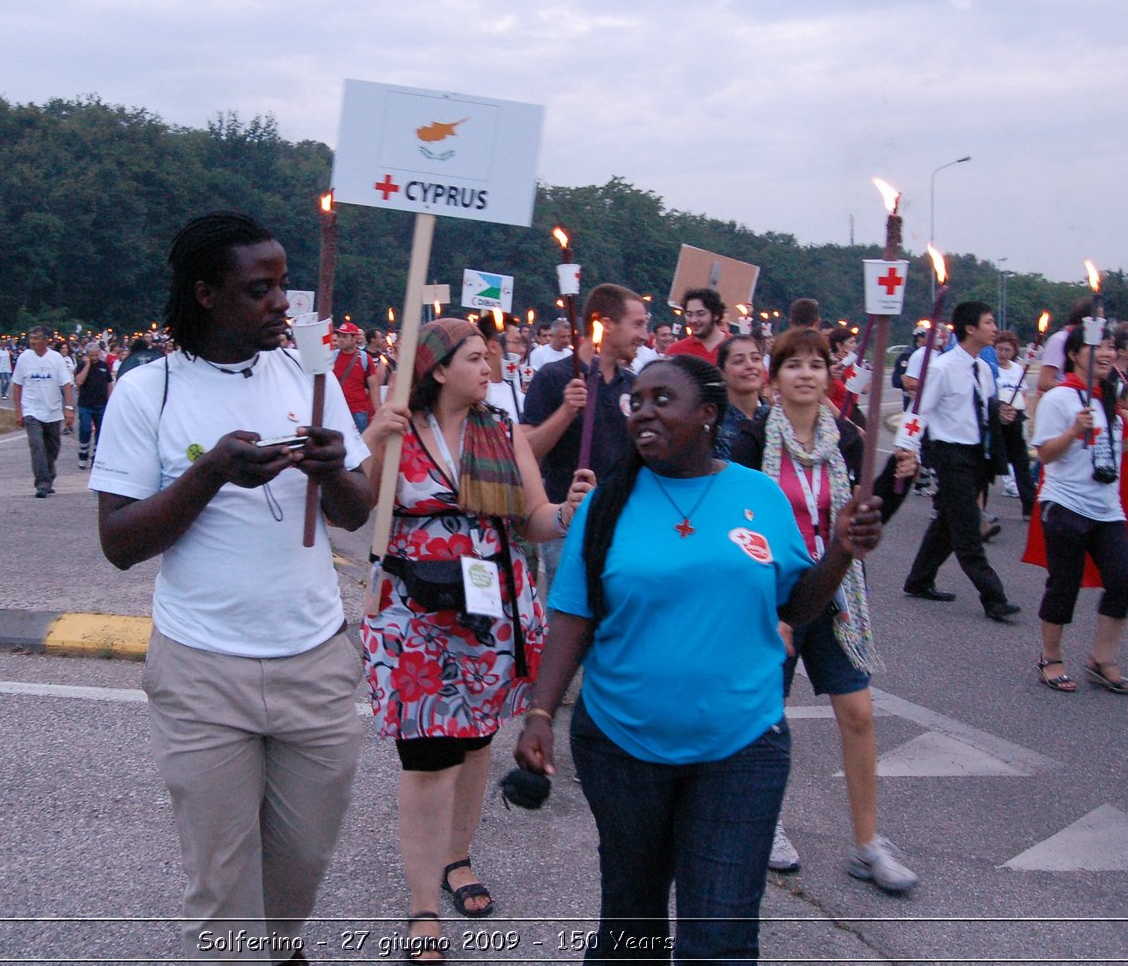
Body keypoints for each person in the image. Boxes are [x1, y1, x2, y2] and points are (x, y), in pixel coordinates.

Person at [513, 355, 885, 962]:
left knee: (719, 939)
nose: (644, 413)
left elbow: (797, 603)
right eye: (637, 402)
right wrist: (539, 712)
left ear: (708, 414)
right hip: (620, 743)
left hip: (740, 747)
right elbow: (574, 614)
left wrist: (840, 552)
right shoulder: (609, 501)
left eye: (663, 400)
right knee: (632, 929)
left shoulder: (758, 495)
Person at [89, 211, 373, 962]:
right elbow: (119, 543)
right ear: (207, 294)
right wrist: (210, 473)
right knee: (221, 882)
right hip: (203, 669)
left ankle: (279, 952)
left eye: (284, 284)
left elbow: (355, 511)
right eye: (261, 289)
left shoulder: (310, 379)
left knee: (301, 861)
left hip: (314, 659)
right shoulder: (147, 392)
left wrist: (334, 467)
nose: (283, 302)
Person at [360, 318, 592, 961]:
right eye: (474, 358)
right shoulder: (399, 425)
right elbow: (353, 510)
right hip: (414, 613)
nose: (489, 367)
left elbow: (535, 521)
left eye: (490, 357)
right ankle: (423, 908)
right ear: (437, 370)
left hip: (492, 611)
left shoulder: (504, 432)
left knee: (475, 742)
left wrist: (570, 510)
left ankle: (458, 858)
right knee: (427, 754)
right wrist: (374, 443)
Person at [731, 328, 918, 891]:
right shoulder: (751, 439)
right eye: (793, 366)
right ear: (775, 377)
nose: (806, 374)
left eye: (816, 364)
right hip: (776, 599)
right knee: (766, 719)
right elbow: (739, 521)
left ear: (828, 376)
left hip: (837, 596)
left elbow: (865, 518)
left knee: (858, 714)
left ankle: (867, 844)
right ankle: (768, 824)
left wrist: (896, 481)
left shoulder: (850, 442)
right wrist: (769, 606)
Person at [1026, 329, 1128, 694]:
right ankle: (1051, 657)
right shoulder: (1061, 398)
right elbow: (1046, 454)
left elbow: (1099, 450)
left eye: (1111, 347)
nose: (1109, 354)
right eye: (1100, 347)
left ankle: (1102, 657)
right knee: (1064, 582)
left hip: (1106, 508)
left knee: (1122, 578)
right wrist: (1072, 431)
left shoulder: (1107, 399)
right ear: (1077, 354)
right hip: (1065, 503)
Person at [520, 284, 648, 593]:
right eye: (638, 324)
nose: (645, 335)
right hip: (569, 525)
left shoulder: (634, 386)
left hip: (625, 524)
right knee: (570, 622)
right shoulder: (553, 377)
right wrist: (566, 411)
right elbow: (525, 452)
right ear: (606, 325)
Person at [902, 301, 1022, 621]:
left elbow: (981, 410)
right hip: (950, 453)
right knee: (968, 528)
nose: (994, 328)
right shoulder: (942, 368)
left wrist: (1000, 413)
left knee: (946, 521)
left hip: (977, 455)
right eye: (988, 322)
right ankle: (993, 596)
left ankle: (919, 579)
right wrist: (907, 449)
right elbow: (919, 411)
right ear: (970, 328)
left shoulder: (983, 368)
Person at [10, 327, 75, 498]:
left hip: (52, 410)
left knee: (52, 448)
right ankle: (42, 483)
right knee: (37, 445)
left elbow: (66, 384)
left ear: (46, 340)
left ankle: (48, 475)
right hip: (32, 409)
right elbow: (17, 385)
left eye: (37, 338)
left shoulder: (56, 358)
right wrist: (19, 411)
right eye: (31, 338)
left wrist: (68, 408)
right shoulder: (24, 358)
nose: (33, 342)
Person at [993, 331, 1036, 519]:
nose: (1003, 353)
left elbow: (1024, 393)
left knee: (1022, 463)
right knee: (990, 460)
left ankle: (1030, 506)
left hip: (1016, 418)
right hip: (997, 417)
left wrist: (1023, 411)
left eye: (1007, 350)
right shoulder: (991, 368)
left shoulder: (1017, 369)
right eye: (1000, 349)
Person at [714, 333, 769, 461]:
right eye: (739, 361)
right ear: (722, 372)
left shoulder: (776, 418)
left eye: (756, 359)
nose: (750, 366)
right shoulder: (713, 423)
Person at [73, 340, 113, 469]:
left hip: (101, 404)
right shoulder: (81, 365)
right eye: (92, 355)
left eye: (96, 355)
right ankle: (83, 454)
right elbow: (79, 381)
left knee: (101, 431)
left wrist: (111, 399)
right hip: (86, 403)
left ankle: (96, 456)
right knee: (85, 429)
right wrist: (87, 365)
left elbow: (109, 383)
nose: (95, 358)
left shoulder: (104, 365)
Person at [331, 321, 378, 433]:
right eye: (339, 336)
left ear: (355, 338)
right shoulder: (332, 357)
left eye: (345, 336)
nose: (340, 339)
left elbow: (374, 388)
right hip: (337, 409)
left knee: (360, 444)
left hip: (358, 410)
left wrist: (377, 412)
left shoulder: (365, 359)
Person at [666, 287, 727, 364]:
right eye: (689, 314)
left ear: (716, 315)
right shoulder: (676, 351)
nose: (693, 320)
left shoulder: (734, 347)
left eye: (700, 314)